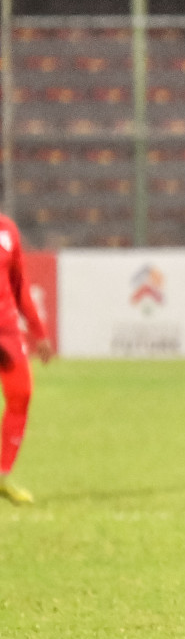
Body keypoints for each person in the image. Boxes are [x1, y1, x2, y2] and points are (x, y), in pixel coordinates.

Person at [0, 212, 54, 505]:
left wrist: (39, 332)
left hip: (7, 331)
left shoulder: (7, 229)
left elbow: (20, 284)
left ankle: (2, 475)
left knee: (21, 394)